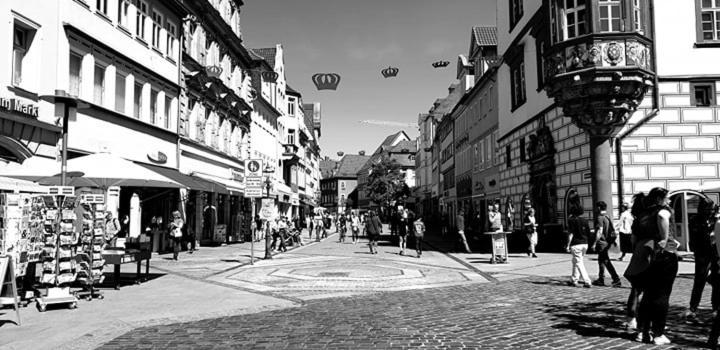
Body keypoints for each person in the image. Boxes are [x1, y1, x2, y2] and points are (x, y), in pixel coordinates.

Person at [626, 187, 678, 345]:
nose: (669, 200)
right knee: (662, 295)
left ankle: (642, 331)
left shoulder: (641, 215)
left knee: (647, 296)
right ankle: (658, 333)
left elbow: (633, 241)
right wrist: (664, 239)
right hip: (664, 255)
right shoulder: (663, 210)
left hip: (646, 257)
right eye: (667, 197)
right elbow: (663, 216)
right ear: (660, 198)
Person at [684, 199, 718, 321]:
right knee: (699, 280)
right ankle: (693, 308)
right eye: (708, 209)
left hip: (715, 253)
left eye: (712, 209)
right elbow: (694, 238)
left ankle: (715, 308)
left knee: (716, 281)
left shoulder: (715, 220)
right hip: (702, 253)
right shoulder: (695, 220)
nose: (710, 212)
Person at [593, 201, 622, 287]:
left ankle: (616, 278)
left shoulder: (600, 218)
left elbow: (600, 231)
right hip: (607, 242)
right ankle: (601, 278)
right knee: (601, 260)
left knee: (605, 261)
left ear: (599, 208)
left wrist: (595, 243)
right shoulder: (607, 216)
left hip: (602, 242)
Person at [565, 203, 592, 288]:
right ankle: (574, 279)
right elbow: (588, 232)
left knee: (579, 262)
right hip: (585, 243)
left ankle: (587, 281)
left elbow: (571, 234)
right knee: (575, 261)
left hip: (576, 244)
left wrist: (568, 245)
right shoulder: (585, 220)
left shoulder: (572, 220)